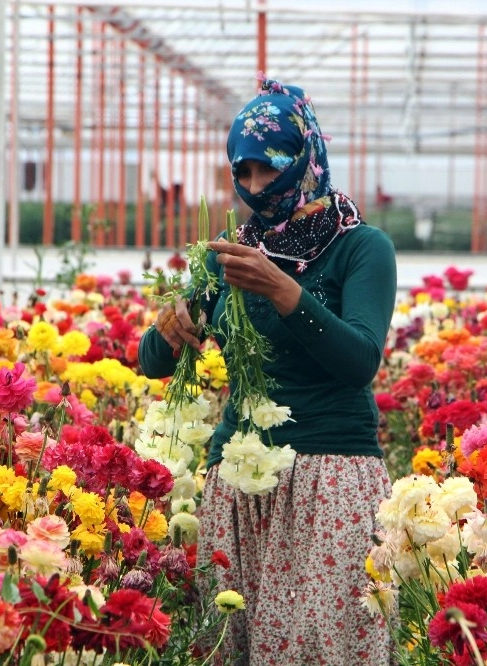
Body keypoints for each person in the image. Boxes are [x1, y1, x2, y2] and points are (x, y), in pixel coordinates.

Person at [138, 77, 397, 665]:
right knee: (233, 648)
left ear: (306, 157)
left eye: (270, 167)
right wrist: (168, 329)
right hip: (239, 483)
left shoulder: (361, 247)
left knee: (331, 646)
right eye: (245, 171)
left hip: (331, 482)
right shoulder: (229, 252)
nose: (257, 186)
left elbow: (360, 361)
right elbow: (152, 363)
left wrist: (285, 291)